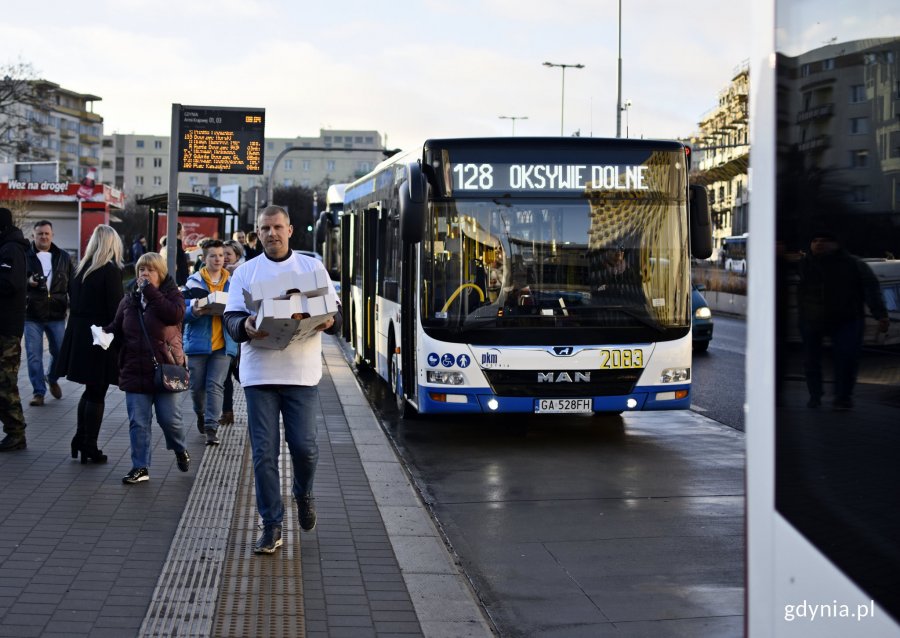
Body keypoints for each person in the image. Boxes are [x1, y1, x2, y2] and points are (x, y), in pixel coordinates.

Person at [224, 205, 342, 554]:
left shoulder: (312, 267)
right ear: (256, 233)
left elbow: (336, 316)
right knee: (264, 454)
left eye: (277, 227)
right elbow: (231, 318)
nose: (271, 233)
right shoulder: (245, 272)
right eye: (264, 228)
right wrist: (244, 326)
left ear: (290, 230)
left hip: (301, 375)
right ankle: (271, 525)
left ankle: (302, 492)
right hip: (259, 374)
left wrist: (328, 322)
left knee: (305, 449)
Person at [103, 252, 191, 483]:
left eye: (150, 270)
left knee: (169, 420)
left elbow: (174, 315)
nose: (144, 273)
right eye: (141, 269)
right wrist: (104, 334)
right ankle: (140, 467)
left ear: (160, 274)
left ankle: (180, 449)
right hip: (134, 368)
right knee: (138, 421)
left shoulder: (173, 296)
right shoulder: (129, 300)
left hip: (166, 369)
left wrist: (151, 292)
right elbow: (117, 326)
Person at [55, 225, 124, 463]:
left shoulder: (80, 269)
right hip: (100, 338)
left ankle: (80, 438)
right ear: (112, 244)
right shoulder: (110, 271)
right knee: (97, 391)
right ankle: (89, 445)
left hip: (79, 335)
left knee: (90, 390)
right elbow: (116, 310)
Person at [798, 230, 890, 410]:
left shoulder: (853, 264)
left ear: (836, 244)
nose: (819, 244)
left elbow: (871, 290)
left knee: (846, 359)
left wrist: (881, 315)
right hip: (812, 320)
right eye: (815, 240)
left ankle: (843, 397)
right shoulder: (805, 264)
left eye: (825, 240)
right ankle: (815, 396)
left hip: (846, 318)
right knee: (811, 360)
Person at [183, 239, 237, 445]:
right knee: (197, 388)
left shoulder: (232, 282)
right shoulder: (192, 283)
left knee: (215, 385)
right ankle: (200, 414)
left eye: (221, 255)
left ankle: (211, 427)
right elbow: (181, 313)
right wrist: (194, 311)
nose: (218, 259)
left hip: (224, 344)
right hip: (198, 344)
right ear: (204, 259)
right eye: (213, 255)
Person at [24, 220, 73, 406]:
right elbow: (15, 279)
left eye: (46, 234)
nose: (43, 237)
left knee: (60, 352)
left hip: (57, 313)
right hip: (31, 314)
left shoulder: (64, 257)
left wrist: (75, 309)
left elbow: (72, 285)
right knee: (33, 355)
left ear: (52, 235)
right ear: (33, 236)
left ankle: (51, 378)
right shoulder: (24, 255)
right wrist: (28, 281)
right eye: (40, 234)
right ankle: (39, 392)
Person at [0, 208, 29, 452]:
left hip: (7, 329)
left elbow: (8, 284)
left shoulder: (10, 250)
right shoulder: (8, 247)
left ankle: (16, 432)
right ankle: (14, 431)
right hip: (5, 327)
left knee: (5, 381)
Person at [219, 239, 245, 427]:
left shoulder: (243, 274)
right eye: (222, 254)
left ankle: (258, 403)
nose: (225, 258)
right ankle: (227, 412)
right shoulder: (217, 275)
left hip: (239, 336)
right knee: (225, 376)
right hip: (221, 335)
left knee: (241, 374)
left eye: (228, 254)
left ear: (237, 255)